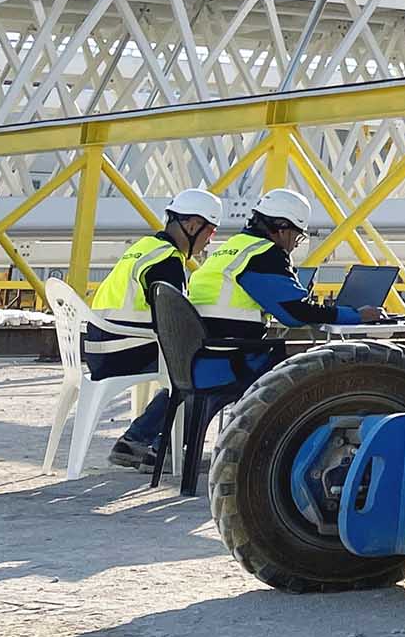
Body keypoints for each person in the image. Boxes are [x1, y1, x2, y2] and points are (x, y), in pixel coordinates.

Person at [184, 188, 386, 412]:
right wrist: (356, 315)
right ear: (281, 229)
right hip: (232, 357)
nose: (295, 243)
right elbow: (295, 314)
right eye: (298, 236)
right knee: (310, 382)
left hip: (204, 351)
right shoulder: (266, 254)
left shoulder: (233, 246)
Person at [89, 187, 221, 470]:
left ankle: (140, 441)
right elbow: (175, 321)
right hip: (122, 350)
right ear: (192, 225)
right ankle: (154, 447)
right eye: (210, 233)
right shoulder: (167, 260)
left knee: (186, 368)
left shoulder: (145, 248)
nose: (209, 242)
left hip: (101, 346)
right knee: (200, 372)